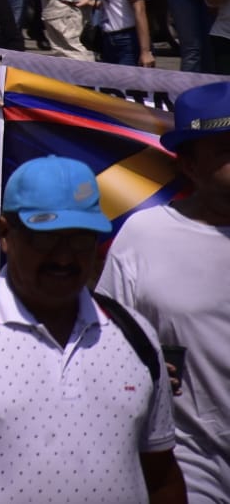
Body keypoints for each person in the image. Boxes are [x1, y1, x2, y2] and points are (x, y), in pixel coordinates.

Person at [0, 156, 185, 504]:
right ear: (4, 234)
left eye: (80, 239)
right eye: (47, 238)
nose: (64, 257)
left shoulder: (135, 337)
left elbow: (161, 476)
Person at [98, 82, 230, 501]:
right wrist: (138, 364)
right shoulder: (143, 236)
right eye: (227, 150)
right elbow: (102, 346)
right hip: (190, 463)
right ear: (189, 165)